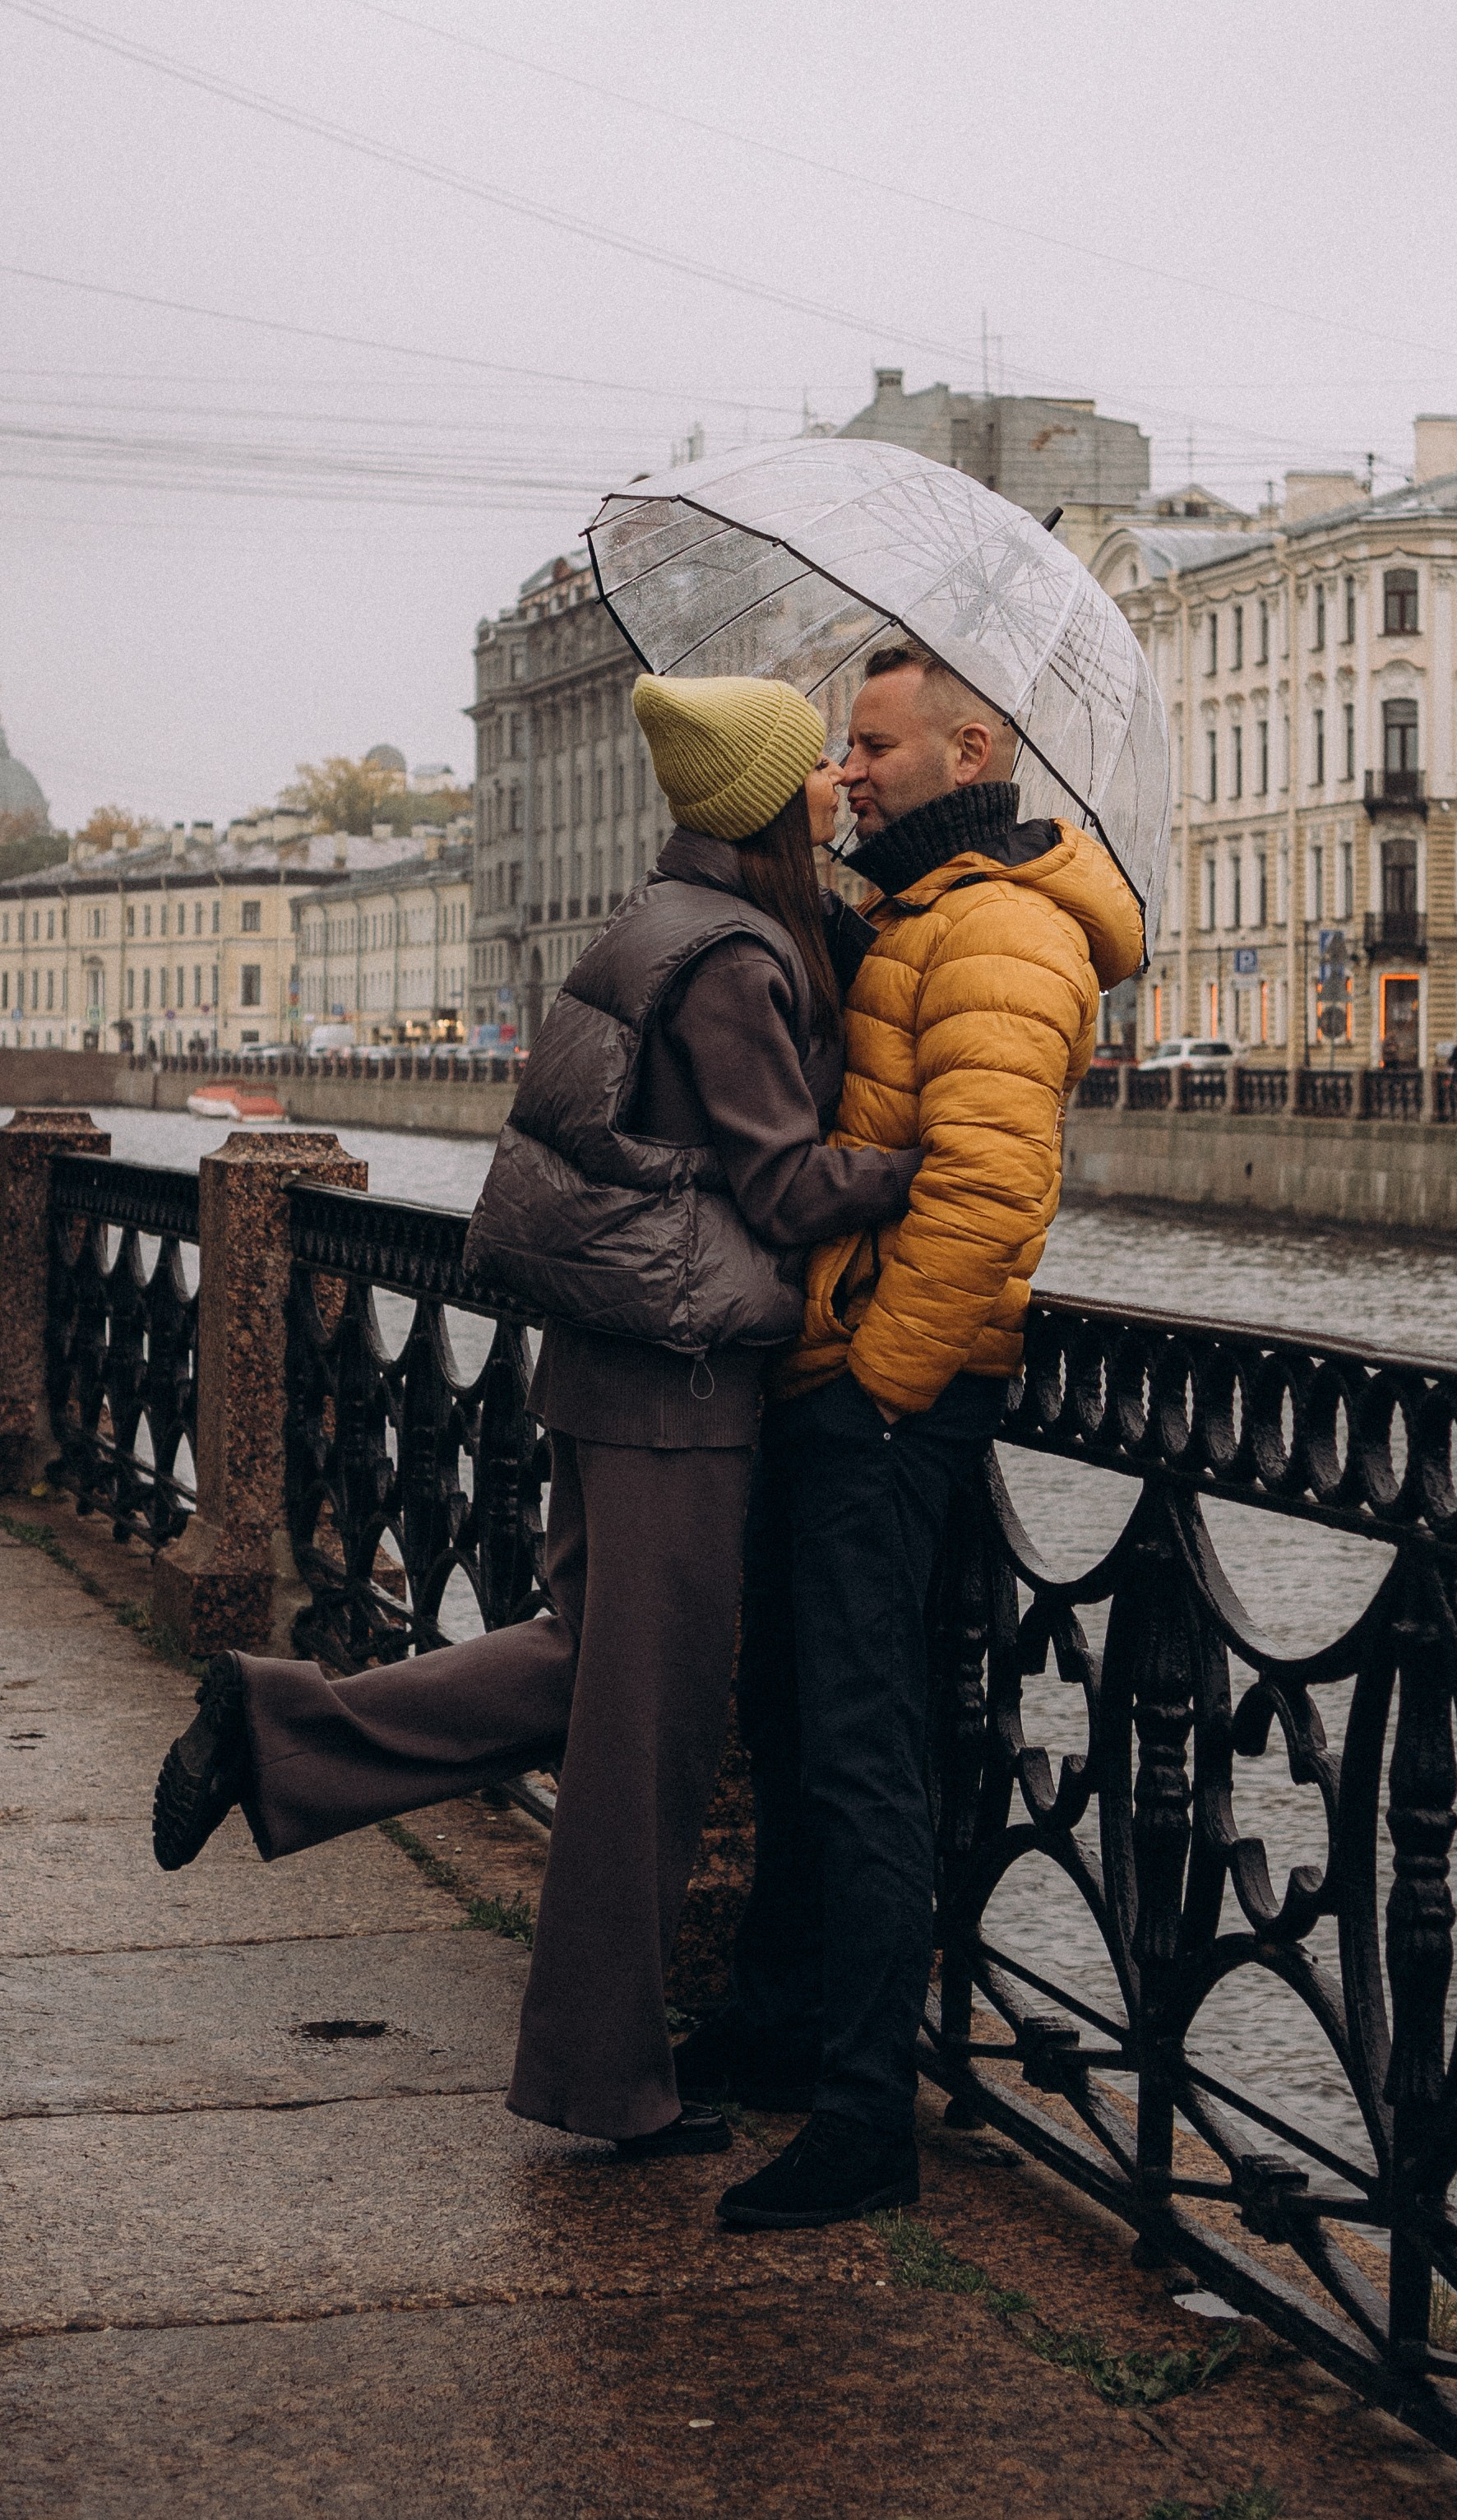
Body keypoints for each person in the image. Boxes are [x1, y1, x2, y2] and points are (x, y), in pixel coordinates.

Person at [150, 674, 919, 2160]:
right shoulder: (740, 961)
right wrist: (918, 1159)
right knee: (649, 1733)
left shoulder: (659, 923)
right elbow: (783, 1185)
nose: (836, 778)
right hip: (680, 1385)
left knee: (588, 1673)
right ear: (767, 798)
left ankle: (277, 1727)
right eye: (814, 763)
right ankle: (601, 2077)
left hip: (600, 1364)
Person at [684, 640, 1147, 2235]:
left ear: (965, 750)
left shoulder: (1003, 928)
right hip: (847, 1383)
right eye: (840, 745)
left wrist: (875, 1383)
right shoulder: (921, 912)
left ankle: (865, 2112)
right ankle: (779, 2030)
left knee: (867, 1750)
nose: (847, 770)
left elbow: (984, 1186)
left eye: (872, 744)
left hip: (890, 1402)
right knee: (811, 1721)